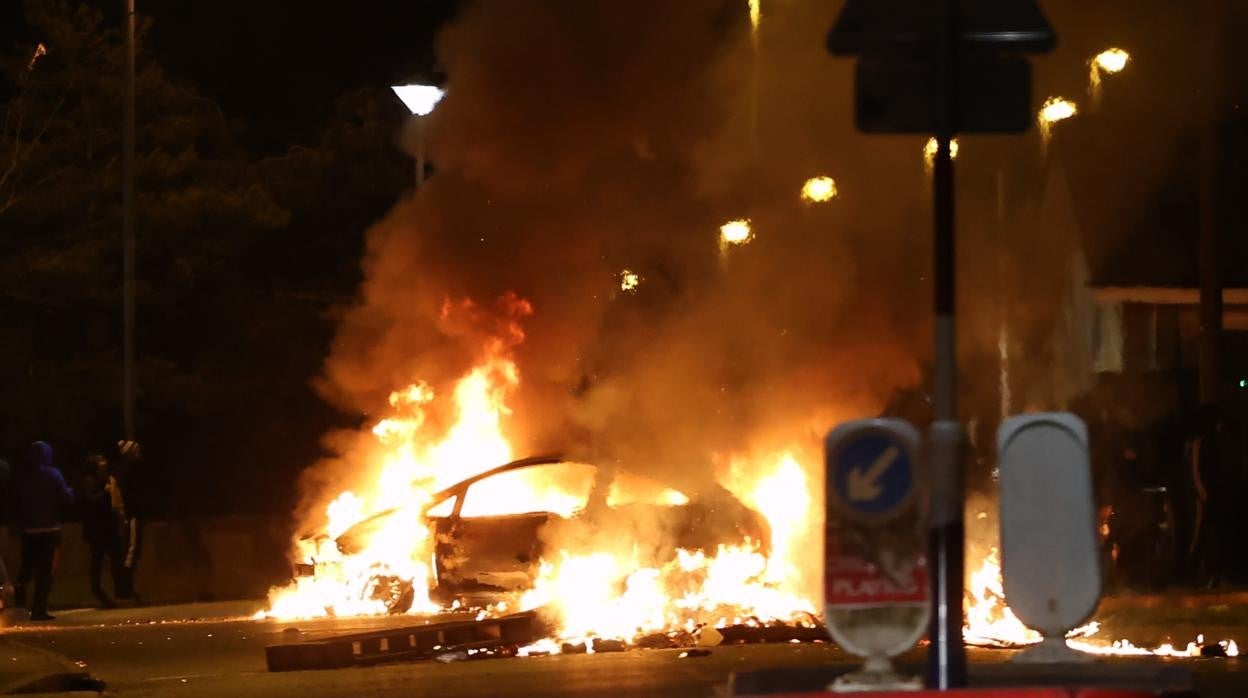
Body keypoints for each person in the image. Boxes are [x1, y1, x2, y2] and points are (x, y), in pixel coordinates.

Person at [12, 442, 74, 621]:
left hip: (28, 531)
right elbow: (66, 498)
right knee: (45, 571)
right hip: (50, 530)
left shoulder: (23, 476)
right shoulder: (53, 474)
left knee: (26, 568)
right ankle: (39, 607)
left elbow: (16, 502)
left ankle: (19, 604)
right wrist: (70, 492)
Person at [79, 455, 126, 608]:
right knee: (97, 560)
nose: (103, 470)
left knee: (117, 557)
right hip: (97, 528)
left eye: (105, 467)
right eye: (100, 467)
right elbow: (91, 500)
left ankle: (120, 589)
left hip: (109, 525)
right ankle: (97, 589)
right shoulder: (90, 481)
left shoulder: (109, 480)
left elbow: (116, 502)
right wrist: (105, 493)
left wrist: (121, 518)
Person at [114, 440, 144, 601]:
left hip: (132, 514)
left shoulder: (126, 470)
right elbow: (128, 495)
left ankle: (125, 586)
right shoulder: (129, 470)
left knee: (130, 550)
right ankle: (126, 587)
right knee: (131, 550)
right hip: (132, 515)